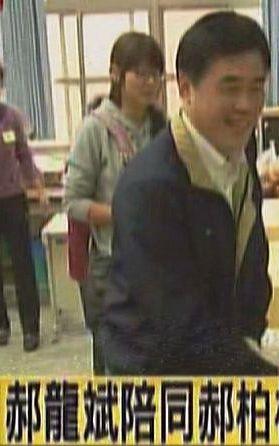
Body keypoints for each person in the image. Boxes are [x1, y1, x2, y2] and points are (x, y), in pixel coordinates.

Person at [101, 12, 279, 375]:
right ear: (186, 89)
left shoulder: (239, 150)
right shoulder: (150, 187)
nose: (246, 105)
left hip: (219, 356)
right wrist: (271, 378)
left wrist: (252, 342)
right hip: (156, 376)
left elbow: (251, 260)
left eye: (256, 87)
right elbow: (178, 325)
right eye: (230, 88)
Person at [64, 32, 166, 374]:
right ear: (116, 74)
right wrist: (122, 214)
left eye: (156, 74)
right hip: (112, 264)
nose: (150, 82)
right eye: (141, 74)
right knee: (114, 359)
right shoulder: (95, 130)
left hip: (157, 261)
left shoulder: (161, 128)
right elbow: (73, 202)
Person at [0, 62, 46, 351]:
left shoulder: (12, 117)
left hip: (13, 199)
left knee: (22, 263)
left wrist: (37, 185)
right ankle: (1, 326)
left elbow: (24, 155)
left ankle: (31, 328)